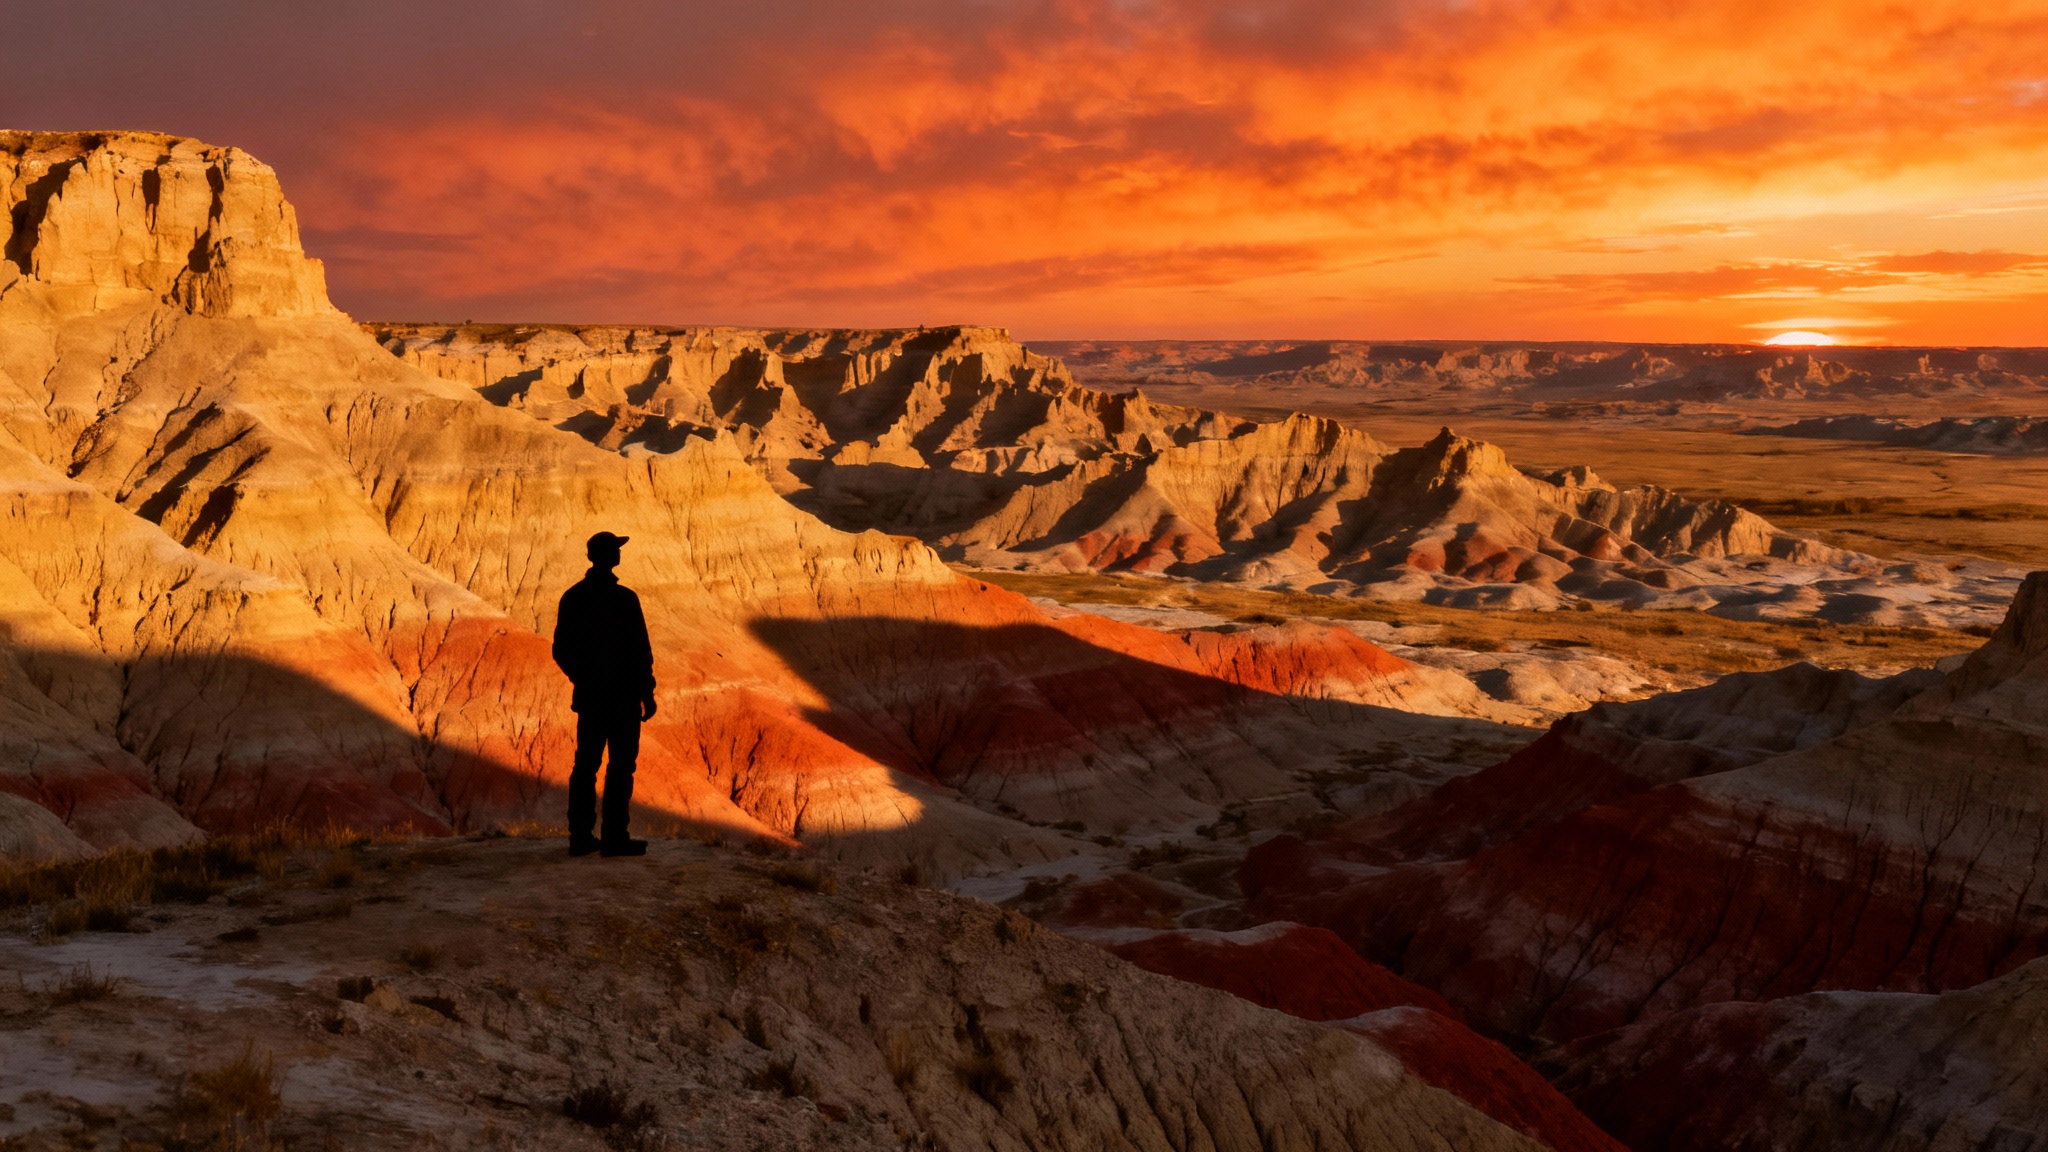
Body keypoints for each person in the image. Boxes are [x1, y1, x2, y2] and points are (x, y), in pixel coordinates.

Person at [551, 531, 657, 857]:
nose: (619, 554)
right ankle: (614, 838)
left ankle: (580, 837)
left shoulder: (573, 598)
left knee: (586, 766)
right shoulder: (625, 599)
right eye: (616, 549)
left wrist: (582, 677)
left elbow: (561, 650)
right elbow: (641, 652)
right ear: (611, 556)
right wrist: (647, 692)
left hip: (591, 699)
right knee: (620, 767)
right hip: (624, 699)